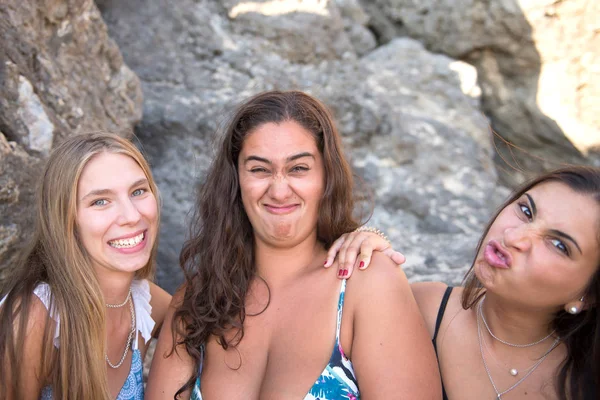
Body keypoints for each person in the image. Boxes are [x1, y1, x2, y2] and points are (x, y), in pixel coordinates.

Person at [146, 90, 441, 399]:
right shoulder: (197, 303)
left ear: (327, 177)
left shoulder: (366, 283)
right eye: (259, 169)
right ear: (235, 182)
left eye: (298, 168)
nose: (279, 190)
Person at [333, 166, 600, 400]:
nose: (515, 237)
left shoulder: (585, 380)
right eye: (526, 210)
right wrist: (363, 249)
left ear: (587, 296)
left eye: (558, 244)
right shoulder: (418, 309)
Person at [0, 132, 172, 400]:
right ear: (67, 221)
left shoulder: (145, 303)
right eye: (100, 201)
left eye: (138, 191)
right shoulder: (35, 318)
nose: (131, 216)